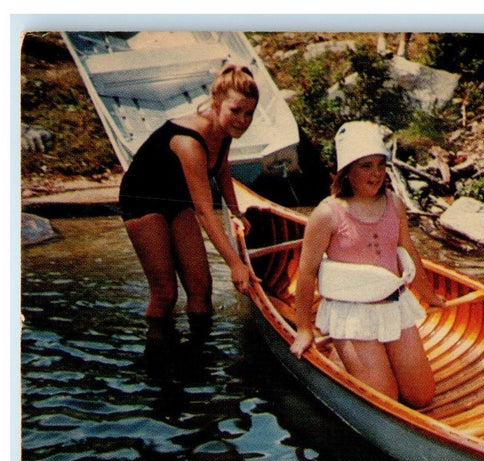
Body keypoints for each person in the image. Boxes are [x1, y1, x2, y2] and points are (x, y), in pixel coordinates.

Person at [289, 121, 444, 408]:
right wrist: (304, 329)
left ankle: (357, 359)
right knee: (385, 399)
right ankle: (341, 353)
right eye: (365, 166)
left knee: (421, 396)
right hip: (352, 316)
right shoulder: (326, 214)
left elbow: (408, 251)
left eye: (380, 165)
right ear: (347, 171)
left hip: (394, 308)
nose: (375, 174)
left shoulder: (394, 203)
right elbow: (307, 273)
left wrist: (429, 295)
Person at [119, 63, 261, 359]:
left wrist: (237, 211)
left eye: (249, 113)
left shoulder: (223, 131)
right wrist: (236, 264)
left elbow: (221, 167)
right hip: (142, 198)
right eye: (236, 111)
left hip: (176, 197)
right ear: (216, 104)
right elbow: (206, 211)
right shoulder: (188, 141)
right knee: (165, 292)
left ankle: (197, 359)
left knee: (201, 288)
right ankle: (156, 366)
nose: (242, 120)